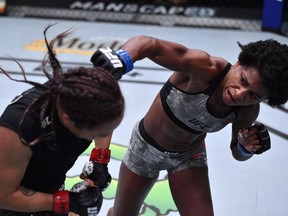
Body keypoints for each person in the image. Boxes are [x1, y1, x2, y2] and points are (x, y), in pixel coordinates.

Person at [90, 35, 288, 216]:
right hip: (144, 151)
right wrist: (124, 57)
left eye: (253, 95)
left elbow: (237, 152)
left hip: (188, 157)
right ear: (238, 63)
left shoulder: (248, 110)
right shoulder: (205, 68)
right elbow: (150, 45)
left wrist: (246, 148)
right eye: (243, 80)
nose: (239, 94)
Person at [0, 25, 124, 216]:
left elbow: (106, 122)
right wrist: (66, 201)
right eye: (98, 132)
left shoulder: (90, 93)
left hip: (50, 185)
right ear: (69, 120)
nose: (104, 134)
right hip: (12, 201)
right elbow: (5, 196)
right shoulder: (19, 128)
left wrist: (100, 159)